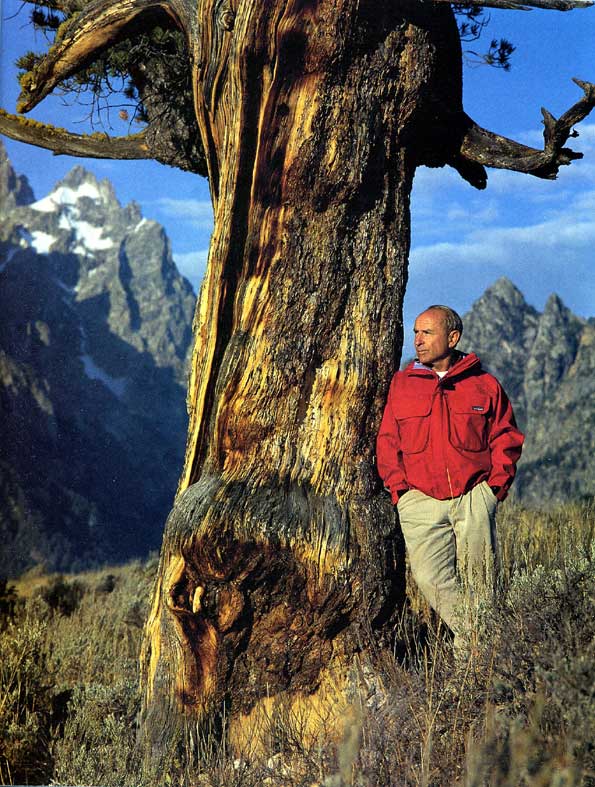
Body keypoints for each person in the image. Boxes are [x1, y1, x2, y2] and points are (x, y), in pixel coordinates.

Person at [376, 305, 524, 642]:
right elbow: (387, 441)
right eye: (416, 332)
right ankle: (482, 638)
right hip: (420, 500)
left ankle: (472, 673)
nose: (418, 340)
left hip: (473, 497)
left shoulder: (484, 385)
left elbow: (506, 437)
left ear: (452, 337)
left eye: (427, 333)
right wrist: (402, 493)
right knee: (429, 578)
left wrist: (493, 490)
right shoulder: (402, 384)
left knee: (481, 585)